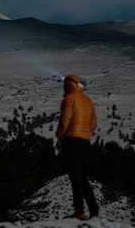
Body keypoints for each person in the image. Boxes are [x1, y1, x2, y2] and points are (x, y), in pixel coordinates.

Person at [55, 74, 99, 220]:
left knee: (75, 177)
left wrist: (59, 136)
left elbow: (64, 123)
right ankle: (94, 212)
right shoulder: (87, 100)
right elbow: (93, 125)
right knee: (84, 178)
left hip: (71, 141)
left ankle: (79, 211)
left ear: (68, 86)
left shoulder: (69, 99)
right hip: (85, 142)